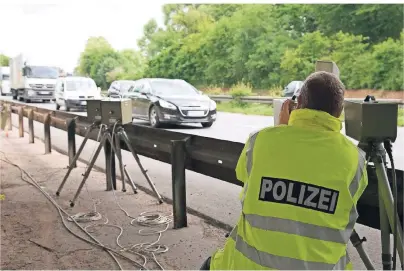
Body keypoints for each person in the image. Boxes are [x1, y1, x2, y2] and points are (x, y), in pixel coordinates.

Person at [201, 71, 368, 270]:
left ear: (298, 103)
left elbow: (244, 176)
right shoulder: (354, 159)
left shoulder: (260, 141)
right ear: (339, 112)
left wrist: (281, 128)